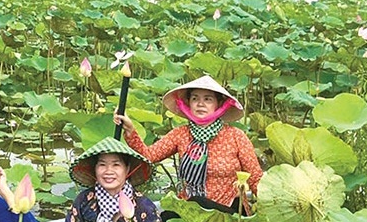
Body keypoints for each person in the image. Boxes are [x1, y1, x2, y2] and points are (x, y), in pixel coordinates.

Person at [113, 74, 263, 214]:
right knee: (165, 217)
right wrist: (130, 130)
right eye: (195, 99)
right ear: (188, 103)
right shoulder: (181, 134)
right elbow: (149, 155)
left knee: (198, 202)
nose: (200, 104)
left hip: (228, 210)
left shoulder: (236, 136)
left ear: (219, 104)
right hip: (190, 209)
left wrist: (272, 212)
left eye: (208, 99)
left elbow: (255, 178)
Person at [59, 137, 163, 222]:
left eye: (116, 165)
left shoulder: (144, 206)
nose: (108, 171)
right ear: (95, 168)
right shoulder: (84, 200)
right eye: (102, 164)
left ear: (127, 169)